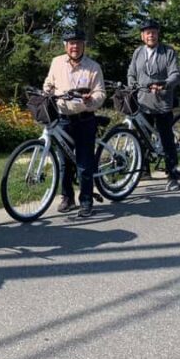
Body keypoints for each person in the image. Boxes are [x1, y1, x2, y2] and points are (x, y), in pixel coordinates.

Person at [43, 28, 106, 218]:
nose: (75, 47)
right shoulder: (56, 63)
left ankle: (86, 201)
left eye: (78, 43)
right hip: (63, 119)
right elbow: (48, 84)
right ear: (65, 46)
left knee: (84, 163)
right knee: (64, 162)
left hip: (85, 119)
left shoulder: (93, 67)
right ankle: (67, 198)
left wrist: (91, 100)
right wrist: (48, 92)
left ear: (83, 45)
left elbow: (101, 93)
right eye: (71, 43)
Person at [126, 19, 180, 191]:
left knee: (166, 140)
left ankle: (172, 175)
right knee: (143, 137)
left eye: (154, 32)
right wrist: (131, 86)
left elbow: (175, 73)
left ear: (158, 34)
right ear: (142, 36)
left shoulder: (168, 52)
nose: (151, 35)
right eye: (147, 33)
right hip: (142, 102)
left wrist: (165, 84)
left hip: (162, 102)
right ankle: (144, 171)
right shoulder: (138, 52)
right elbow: (131, 73)